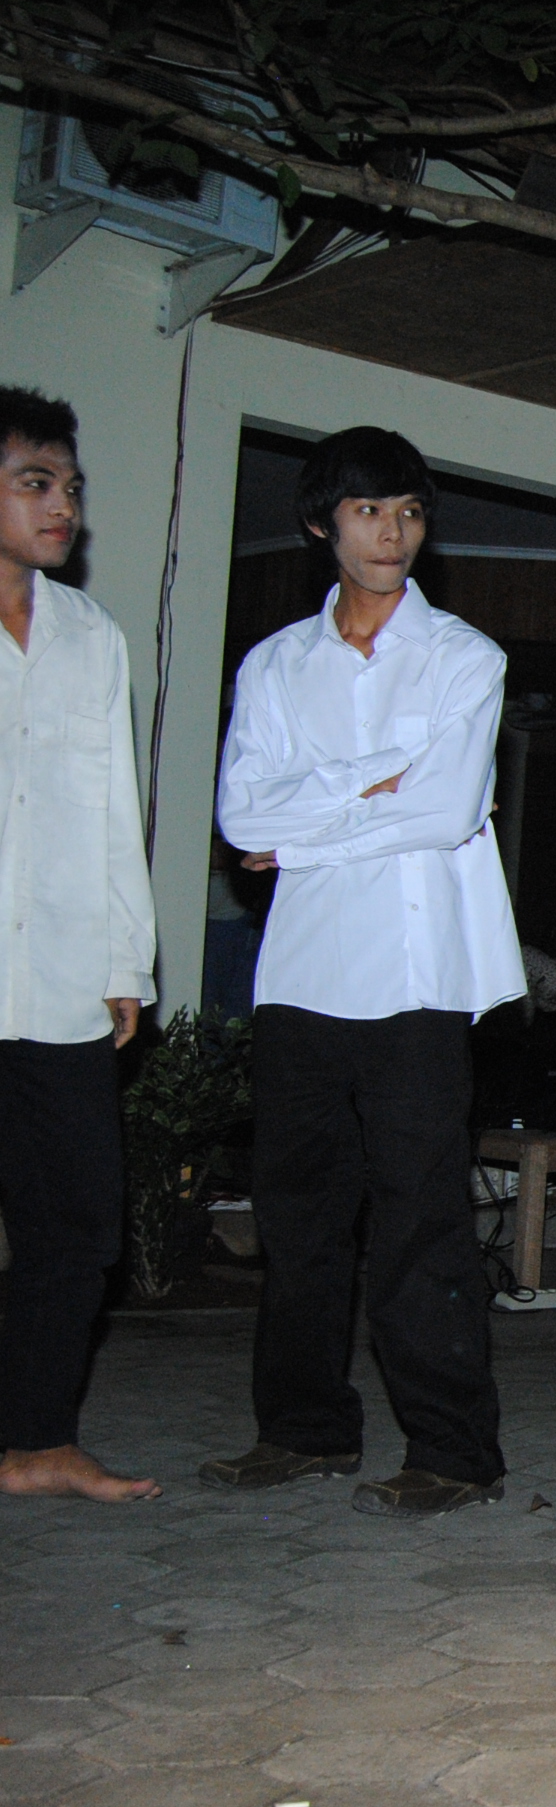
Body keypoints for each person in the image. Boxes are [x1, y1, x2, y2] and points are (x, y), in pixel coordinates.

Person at [209, 427, 526, 1519]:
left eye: (410, 512)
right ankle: (302, 1431)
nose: (393, 533)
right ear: (320, 524)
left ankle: (454, 1453)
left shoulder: (464, 658)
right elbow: (239, 816)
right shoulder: (273, 665)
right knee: (298, 1217)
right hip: (301, 973)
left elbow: (444, 809)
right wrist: (374, 783)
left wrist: (305, 825)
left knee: (420, 1220)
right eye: (368, 511)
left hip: (416, 978)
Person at [0, 387, 158, 1504]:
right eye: (35, 483)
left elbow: (114, 812)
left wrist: (123, 962)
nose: (64, 505)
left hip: (56, 983)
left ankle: (36, 1442)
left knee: (79, 1226)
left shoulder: (90, 637)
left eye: (70, 486)